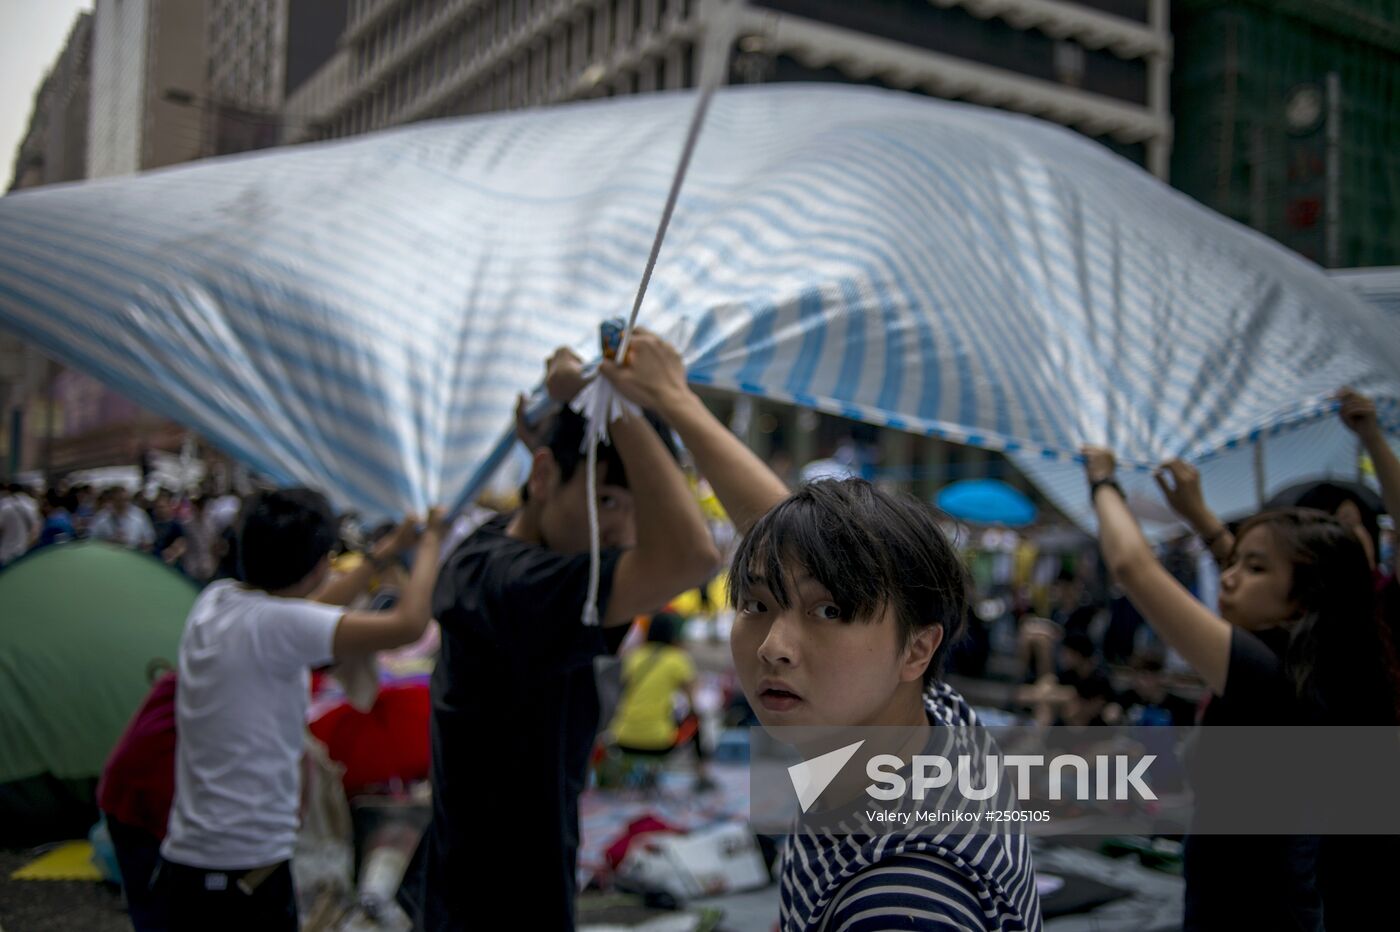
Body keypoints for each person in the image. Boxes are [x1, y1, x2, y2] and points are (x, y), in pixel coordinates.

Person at [401, 330, 787, 931]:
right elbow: (691, 555)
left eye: (636, 510)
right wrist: (616, 402)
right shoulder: (514, 584)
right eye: (608, 502)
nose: (624, 533)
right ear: (545, 474)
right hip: (497, 902)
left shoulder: (490, 554)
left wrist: (576, 422)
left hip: (481, 880)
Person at [1082, 445, 1399, 931]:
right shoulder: (1322, 668)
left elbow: (1133, 567)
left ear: (1305, 596)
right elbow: (1263, 571)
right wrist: (1197, 514)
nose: (1227, 578)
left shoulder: (1267, 675)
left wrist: (1103, 482)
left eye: (1253, 569)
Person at [727, 478, 1042, 931]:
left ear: (917, 650)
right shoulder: (936, 719)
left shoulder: (897, 902)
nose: (773, 647)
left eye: (830, 611)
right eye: (756, 603)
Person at [158, 489, 446, 931]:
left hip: (187, 864)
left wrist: (385, 552)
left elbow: (309, 608)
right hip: (245, 873)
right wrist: (430, 544)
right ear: (317, 566)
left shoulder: (216, 602)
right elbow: (406, 626)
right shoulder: (280, 624)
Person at [609, 611, 714, 789]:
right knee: (695, 721)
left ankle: (634, 775)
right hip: (660, 742)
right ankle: (702, 775)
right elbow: (693, 702)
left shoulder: (634, 657)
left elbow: (620, 691)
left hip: (623, 738)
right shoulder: (677, 659)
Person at [90, 485, 156, 552]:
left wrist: (138, 544)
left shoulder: (140, 515)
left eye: (126, 500)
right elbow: (92, 539)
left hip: (134, 555)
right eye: (119, 500)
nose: (123, 503)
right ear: (112, 501)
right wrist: (108, 542)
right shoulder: (102, 517)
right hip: (108, 555)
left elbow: (149, 539)